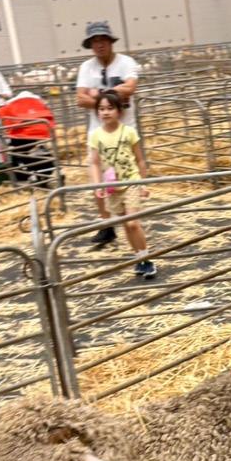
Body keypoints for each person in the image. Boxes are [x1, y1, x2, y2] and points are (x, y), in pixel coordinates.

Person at [76, 21, 139, 247]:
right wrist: (111, 99)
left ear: (110, 42)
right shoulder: (86, 67)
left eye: (103, 40)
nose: (99, 44)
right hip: (97, 132)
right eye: (95, 41)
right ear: (90, 45)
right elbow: (80, 98)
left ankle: (130, 220)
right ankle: (106, 225)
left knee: (126, 174)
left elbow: (131, 87)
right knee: (98, 177)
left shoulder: (126, 62)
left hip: (124, 130)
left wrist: (99, 95)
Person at [87, 91, 155, 278]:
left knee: (132, 223)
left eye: (110, 108)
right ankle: (138, 258)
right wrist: (97, 185)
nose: (105, 112)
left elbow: (140, 160)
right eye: (101, 109)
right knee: (125, 224)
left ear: (119, 111)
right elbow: (94, 163)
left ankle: (147, 259)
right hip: (112, 186)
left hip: (131, 180)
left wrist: (143, 183)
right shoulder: (96, 136)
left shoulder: (129, 132)